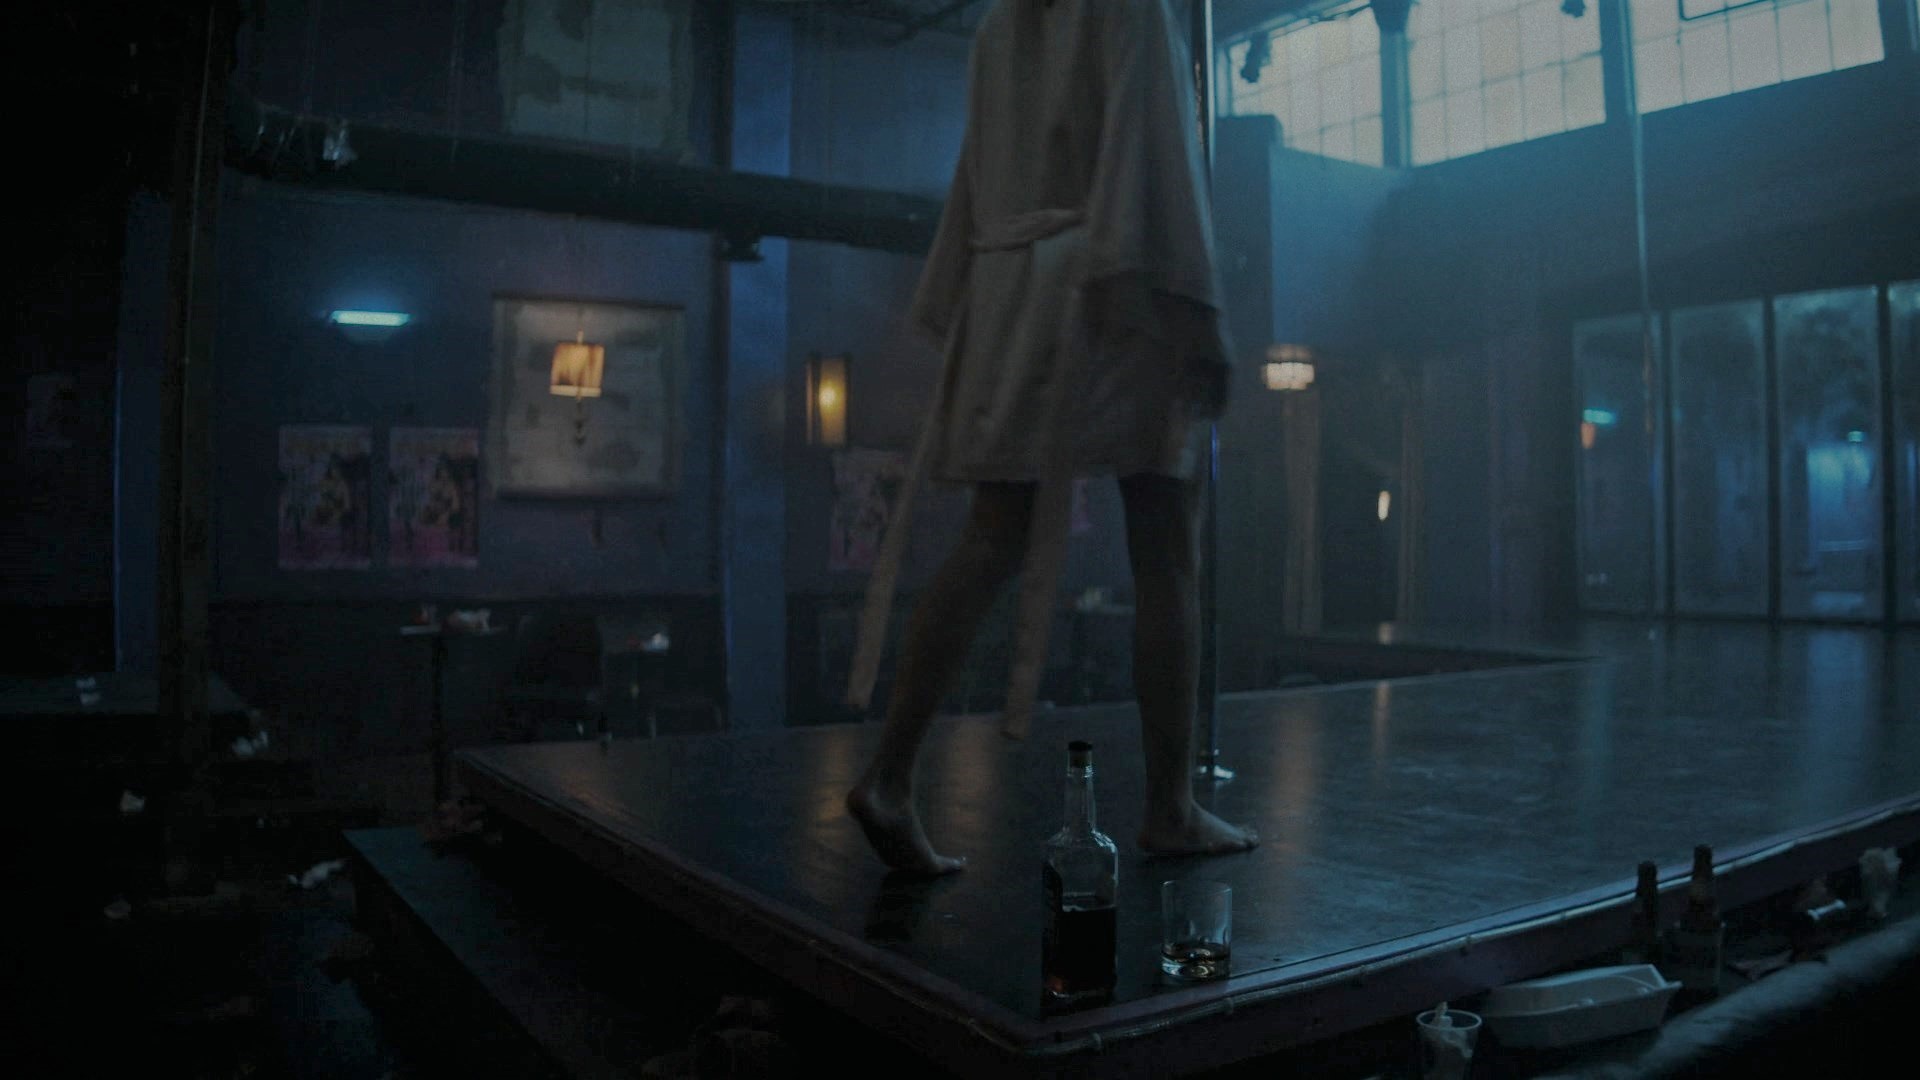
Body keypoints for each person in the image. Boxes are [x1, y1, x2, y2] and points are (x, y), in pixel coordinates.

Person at [844, 0, 1257, 876]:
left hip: (1008, 289)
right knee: (1167, 543)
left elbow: (974, 176)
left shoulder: (1000, 21)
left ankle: (890, 775)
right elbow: (1157, 151)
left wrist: (963, 297)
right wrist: (1203, 315)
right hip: (1115, 278)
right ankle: (1170, 806)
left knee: (993, 533)